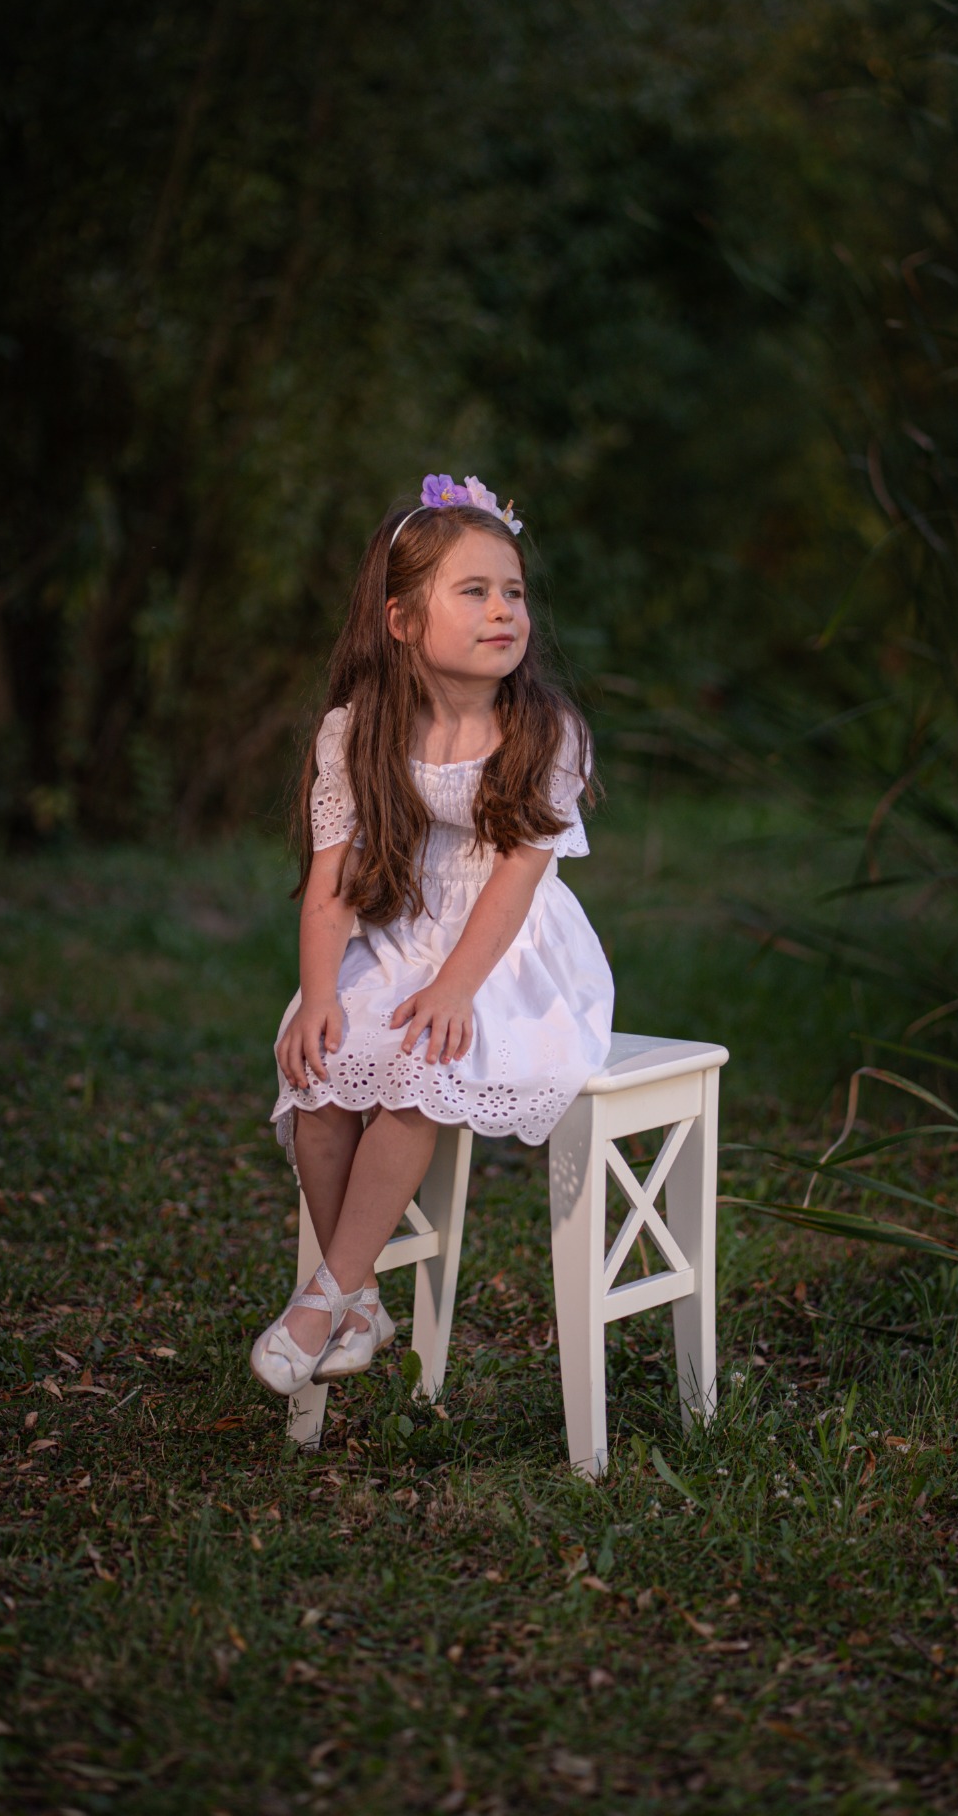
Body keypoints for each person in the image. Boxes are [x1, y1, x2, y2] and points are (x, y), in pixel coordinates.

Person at [253, 473, 614, 1397]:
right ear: (402, 620)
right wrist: (320, 994)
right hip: (402, 936)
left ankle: (324, 1294)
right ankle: (363, 1298)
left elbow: (514, 886)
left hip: (509, 956)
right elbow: (331, 887)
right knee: (319, 1068)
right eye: (475, 591)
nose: (503, 611)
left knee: (423, 1060)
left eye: (514, 592)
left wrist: (454, 989)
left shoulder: (544, 731)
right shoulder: (357, 731)